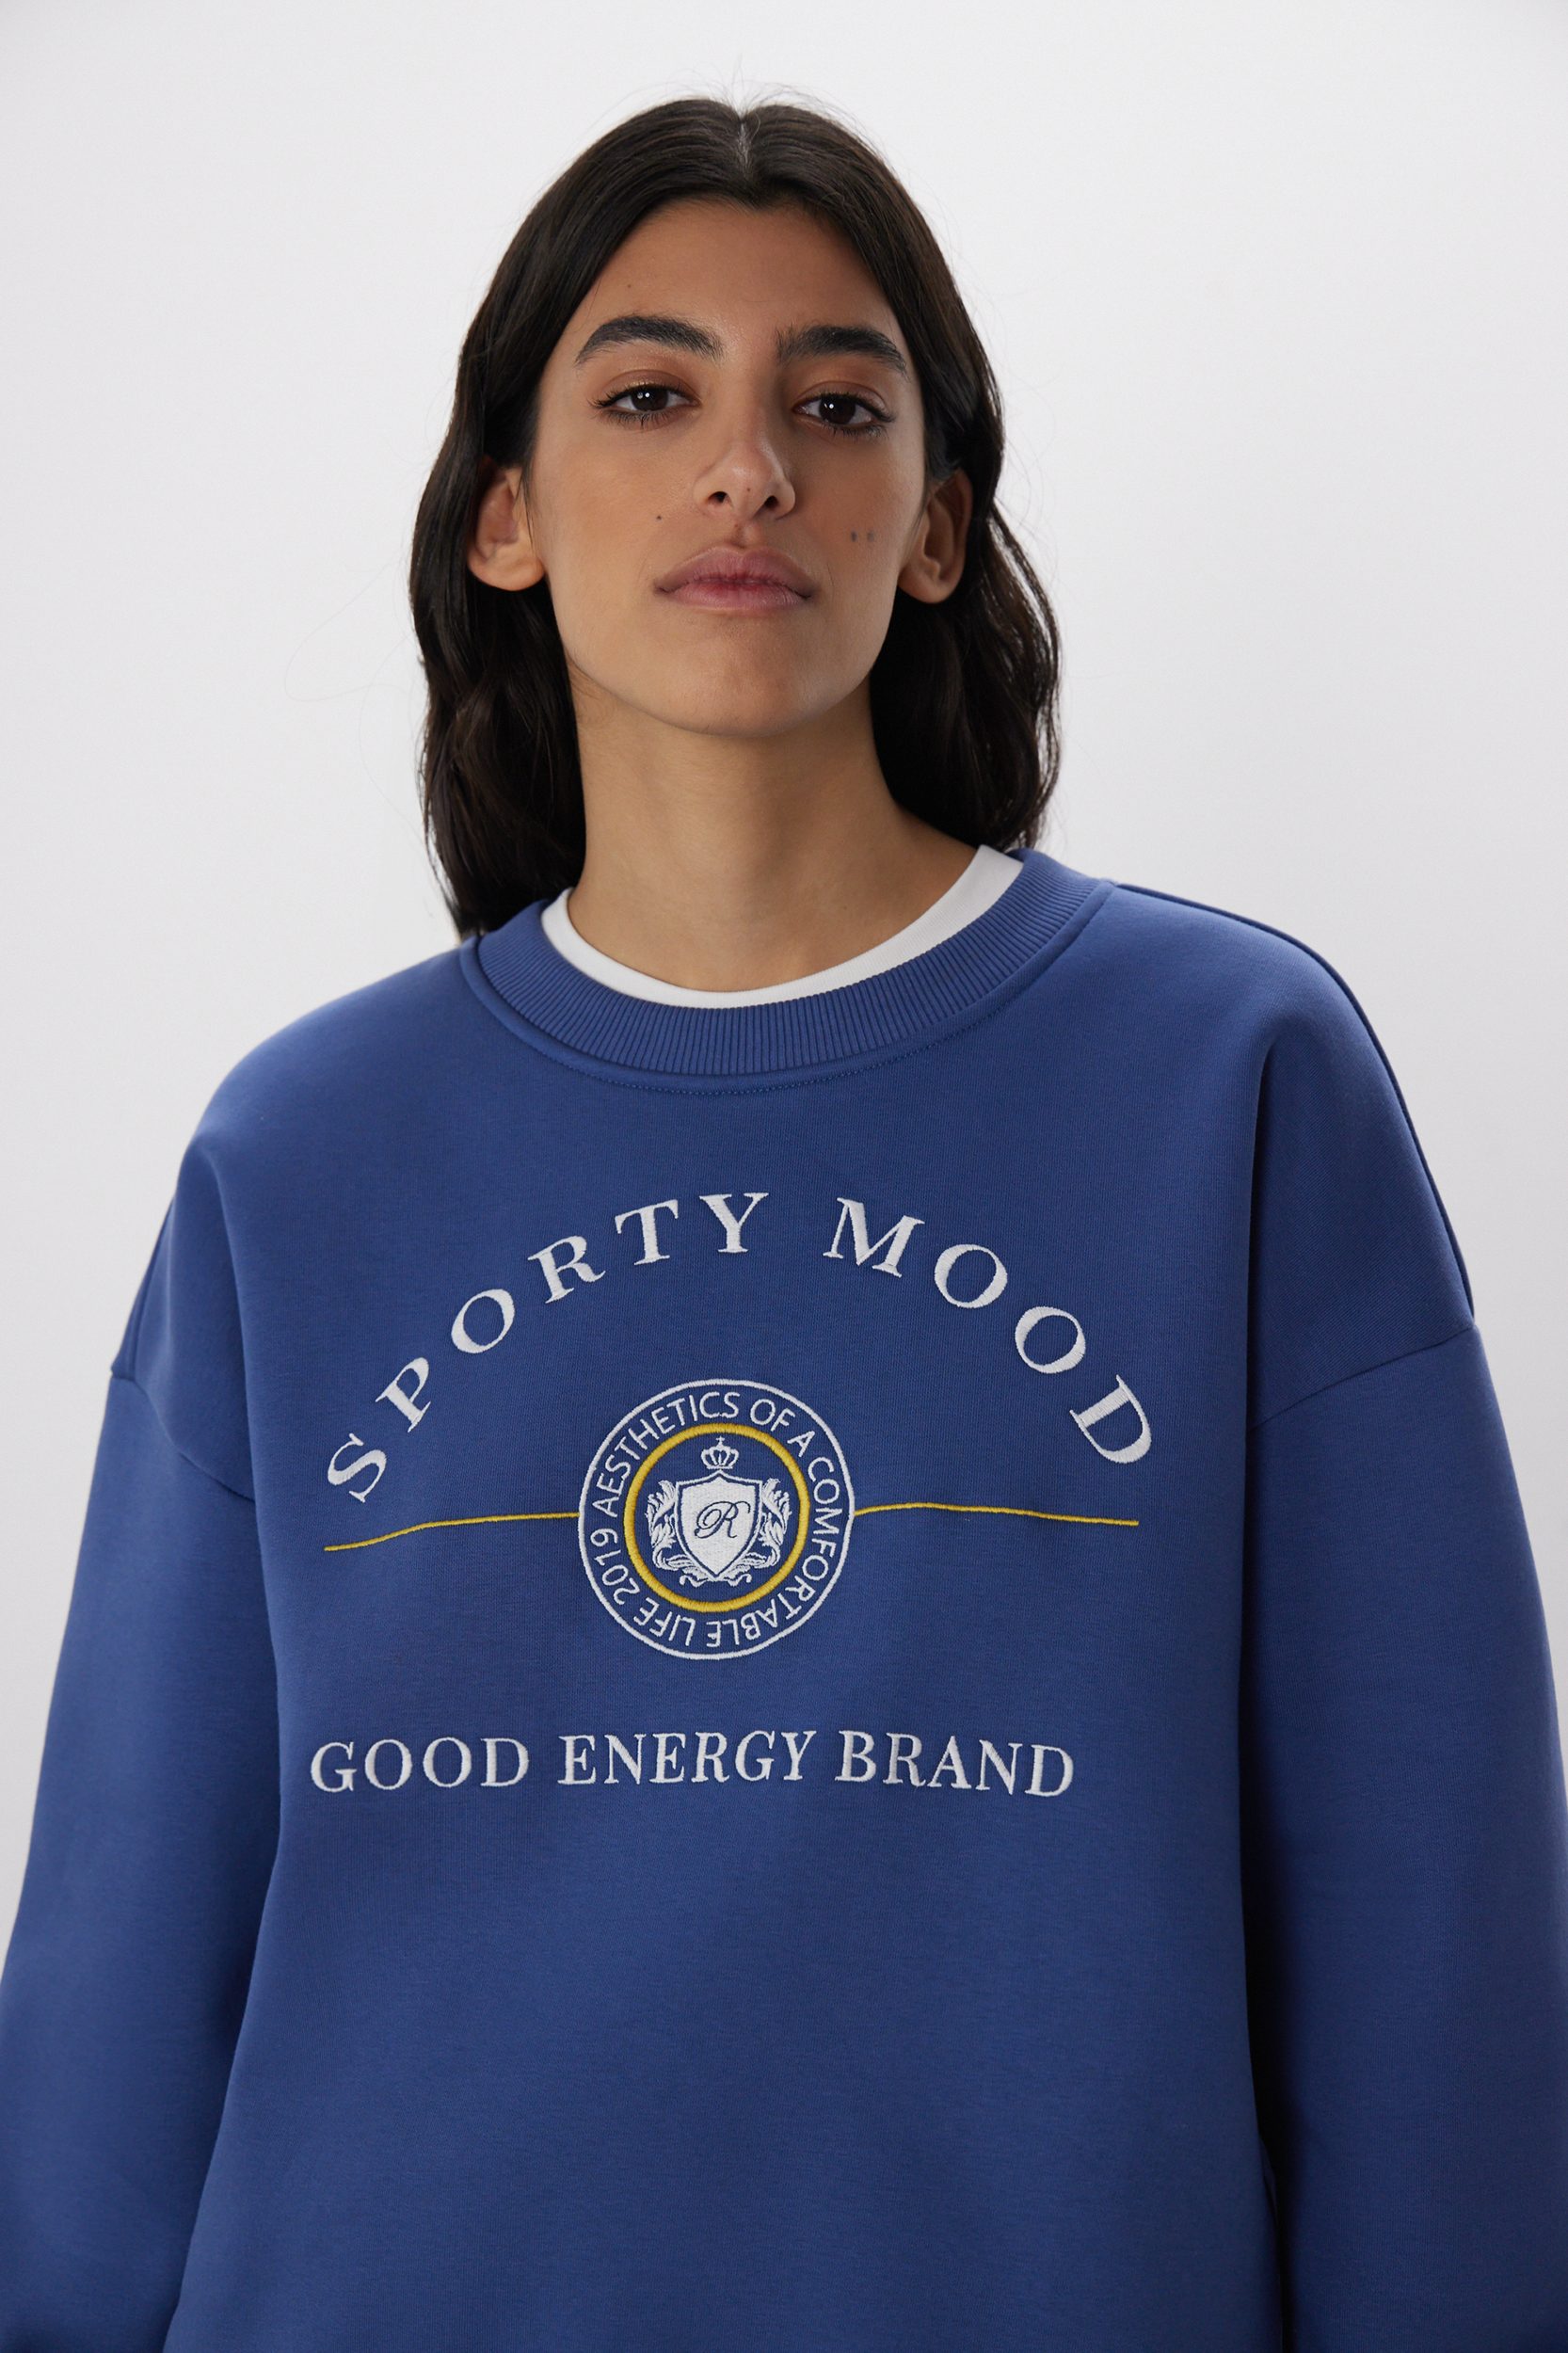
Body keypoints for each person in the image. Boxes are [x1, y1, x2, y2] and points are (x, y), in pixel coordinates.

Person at [1, 90, 1564, 2353]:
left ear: (933, 528)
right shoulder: (303, 1146)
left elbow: (1429, 1912)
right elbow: (123, 1962)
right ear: (504, 514)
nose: (746, 470)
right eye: (651, 397)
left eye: (833, 406)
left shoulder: (1225, 1075)